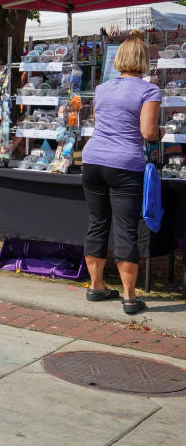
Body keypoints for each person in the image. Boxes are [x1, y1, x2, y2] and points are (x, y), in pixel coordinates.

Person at [81, 34, 160, 315]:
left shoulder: (102, 89)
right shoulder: (148, 91)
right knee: (126, 229)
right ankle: (129, 296)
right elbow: (148, 133)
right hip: (125, 163)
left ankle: (96, 286)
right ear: (144, 60)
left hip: (92, 160)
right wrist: (162, 132)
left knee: (97, 222)